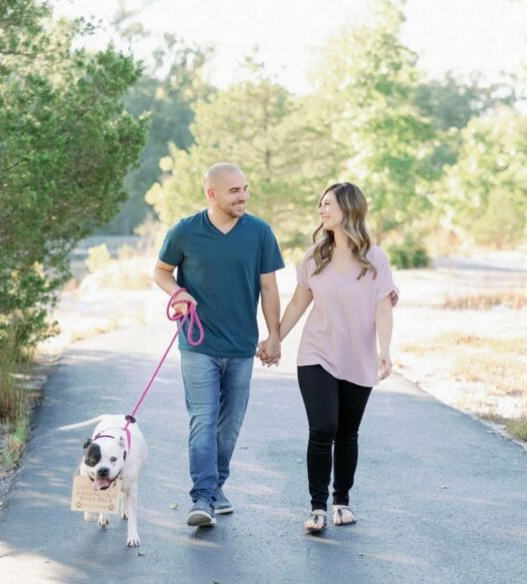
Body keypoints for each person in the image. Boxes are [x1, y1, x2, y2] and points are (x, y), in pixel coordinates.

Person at [258, 181, 398, 531]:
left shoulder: (375, 258)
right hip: (316, 353)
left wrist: (385, 351)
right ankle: (317, 507)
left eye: (329, 204)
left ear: (349, 208)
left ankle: (342, 502)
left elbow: (383, 308)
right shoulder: (313, 256)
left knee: (347, 434)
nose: (322, 210)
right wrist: (275, 338)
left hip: (359, 356)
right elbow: (297, 303)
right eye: (320, 204)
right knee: (323, 428)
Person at [154, 162, 284, 527]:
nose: (242, 196)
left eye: (245, 188)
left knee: (228, 427)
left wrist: (273, 336)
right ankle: (203, 497)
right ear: (211, 193)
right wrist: (178, 291)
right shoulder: (184, 231)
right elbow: (161, 271)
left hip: (241, 347)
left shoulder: (259, 232)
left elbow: (269, 288)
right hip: (198, 346)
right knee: (203, 420)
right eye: (234, 190)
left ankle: (215, 486)